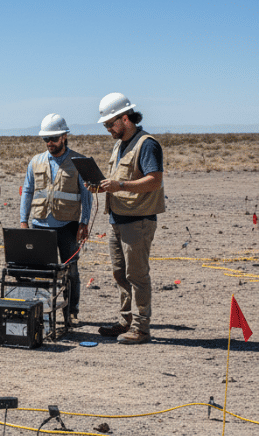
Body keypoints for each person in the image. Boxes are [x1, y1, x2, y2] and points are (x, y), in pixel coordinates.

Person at [94, 93, 165, 345]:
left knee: (137, 276)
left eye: (110, 124)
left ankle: (141, 328)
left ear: (125, 118)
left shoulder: (147, 144)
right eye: (105, 125)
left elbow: (154, 180)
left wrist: (120, 185)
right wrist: (103, 186)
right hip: (117, 220)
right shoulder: (119, 145)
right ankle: (126, 321)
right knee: (120, 274)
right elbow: (118, 180)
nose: (108, 129)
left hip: (138, 221)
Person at [19, 114, 92, 323]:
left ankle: (71, 312)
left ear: (64, 137)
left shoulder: (78, 162)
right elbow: (27, 191)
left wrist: (84, 222)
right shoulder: (36, 162)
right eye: (46, 139)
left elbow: (86, 195)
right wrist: (24, 221)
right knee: (40, 272)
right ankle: (41, 311)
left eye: (53, 138)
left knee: (71, 271)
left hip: (68, 225)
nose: (49, 143)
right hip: (39, 224)